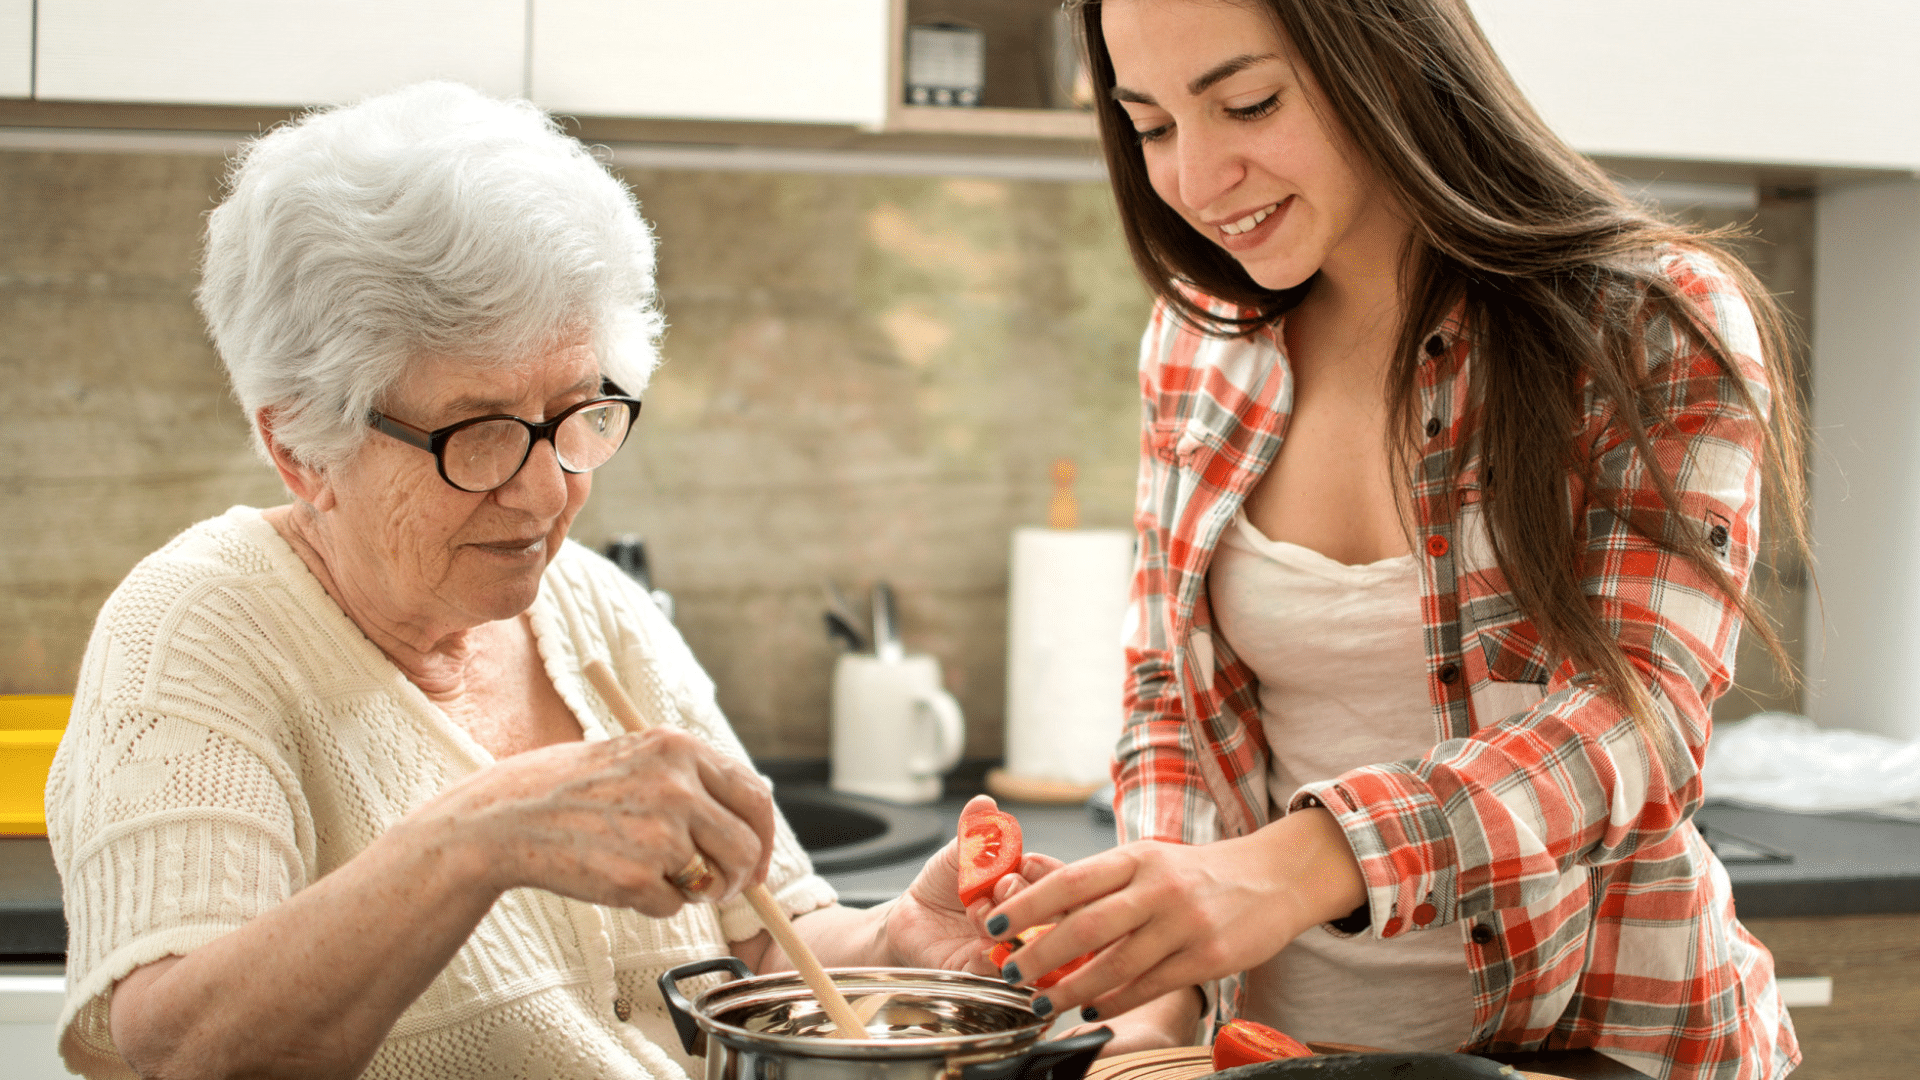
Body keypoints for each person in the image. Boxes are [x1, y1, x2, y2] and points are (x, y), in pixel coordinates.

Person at [46, 82, 1043, 1080]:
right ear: (303, 446)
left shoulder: (595, 607)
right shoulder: (196, 630)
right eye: (476, 432)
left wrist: (893, 951)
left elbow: (762, 944)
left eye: (577, 411)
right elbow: (180, 1054)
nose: (542, 489)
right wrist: (479, 836)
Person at [983, 3, 1806, 1078]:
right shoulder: (1199, 339)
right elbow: (1171, 707)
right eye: (1151, 127)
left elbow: (1635, 725)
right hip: (1269, 1055)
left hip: (1602, 1048)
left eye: (1247, 104)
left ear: (1386, 52)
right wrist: (1155, 1001)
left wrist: (1298, 866)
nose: (1194, 178)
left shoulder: (1648, 319)